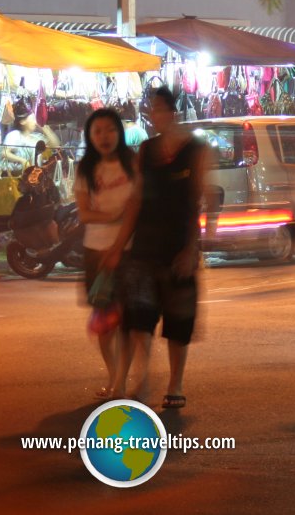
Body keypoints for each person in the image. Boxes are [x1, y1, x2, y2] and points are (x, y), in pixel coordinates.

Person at [107, 87, 214, 409]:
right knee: (139, 318)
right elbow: (136, 200)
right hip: (144, 247)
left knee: (179, 321)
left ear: (173, 112)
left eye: (159, 109)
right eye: (151, 110)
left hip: (178, 245)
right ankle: (142, 377)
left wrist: (192, 248)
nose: (154, 116)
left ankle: (175, 383)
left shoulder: (196, 149)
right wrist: (118, 244)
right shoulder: (146, 150)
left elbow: (199, 198)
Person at [74, 108, 137, 400]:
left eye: (110, 129)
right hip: (94, 252)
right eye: (97, 131)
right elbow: (84, 214)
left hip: (128, 252)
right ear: (90, 136)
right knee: (103, 322)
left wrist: (116, 245)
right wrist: (114, 215)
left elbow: (136, 211)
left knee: (127, 321)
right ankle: (113, 376)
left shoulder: (133, 165)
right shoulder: (85, 169)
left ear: (119, 132)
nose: (104, 136)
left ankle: (121, 382)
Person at [0, 109, 60, 175]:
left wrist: (44, 127)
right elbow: (4, 153)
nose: (35, 122)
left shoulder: (37, 137)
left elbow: (55, 145)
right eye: (33, 118)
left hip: (33, 177)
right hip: (14, 177)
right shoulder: (15, 135)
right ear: (23, 121)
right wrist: (22, 160)